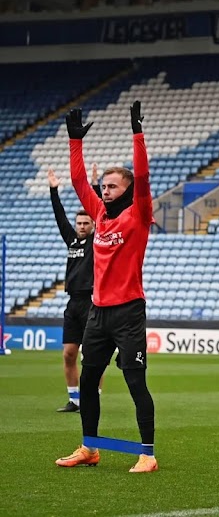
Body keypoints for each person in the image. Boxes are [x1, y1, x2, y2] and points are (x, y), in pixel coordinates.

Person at [56, 101, 157, 473]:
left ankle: (147, 453)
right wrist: (74, 141)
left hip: (129, 311)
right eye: (105, 186)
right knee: (88, 379)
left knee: (135, 381)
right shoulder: (99, 214)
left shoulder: (140, 215)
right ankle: (90, 447)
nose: (106, 189)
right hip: (97, 312)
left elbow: (143, 178)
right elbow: (79, 182)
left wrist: (138, 133)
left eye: (113, 186)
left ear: (128, 189)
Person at [48, 166, 101, 413]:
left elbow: (102, 213)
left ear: (92, 224)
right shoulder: (71, 239)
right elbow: (60, 216)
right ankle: (75, 400)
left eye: (85, 222)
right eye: (79, 222)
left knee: (91, 356)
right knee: (69, 354)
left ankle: (93, 398)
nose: (81, 225)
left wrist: (95, 186)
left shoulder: (96, 240)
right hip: (73, 303)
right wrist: (53, 190)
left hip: (92, 301)